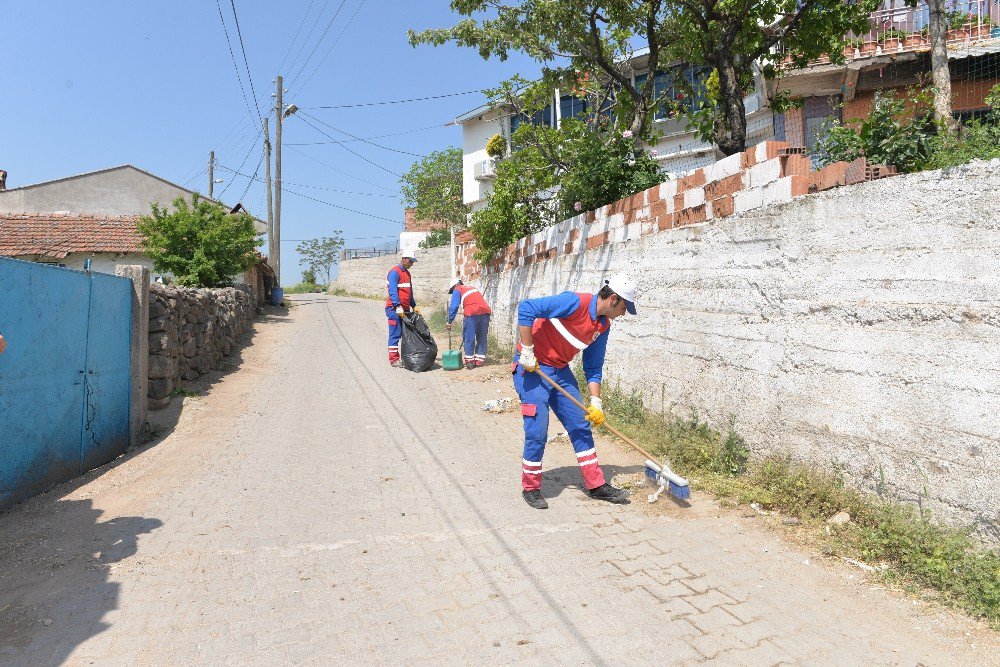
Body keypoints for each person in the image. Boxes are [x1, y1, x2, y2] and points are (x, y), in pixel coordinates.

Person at [513, 275, 638, 509]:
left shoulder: (603, 326)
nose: (623, 313)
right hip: (533, 368)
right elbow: (526, 307)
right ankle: (531, 487)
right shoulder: (574, 302)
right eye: (623, 307)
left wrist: (595, 401)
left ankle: (596, 485)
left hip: (560, 369)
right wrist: (527, 351)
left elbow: (593, 367)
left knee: (580, 425)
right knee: (537, 430)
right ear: (612, 299)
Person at [446, 278, 492, 370]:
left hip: (472, 313)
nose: (453, 292)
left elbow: (454, 307)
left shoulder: (458, 289)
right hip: (485, 312)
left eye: (452, 290)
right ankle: (479, 361)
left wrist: (449, 321)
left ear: (455, 286)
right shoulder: (472, 288)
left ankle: (469, 362)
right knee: (482, 337)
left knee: (468, 336)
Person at [385, 253, 419, 367]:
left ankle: (404, 357)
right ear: (404, 259)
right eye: (410, 261)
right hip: (394, 309)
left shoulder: (407, 273)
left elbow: (409, 292)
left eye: (413, 262)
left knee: (405, 334)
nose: (412, 264)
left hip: (404, 309)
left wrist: (413, 305)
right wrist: (397, 306)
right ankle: (394, 360)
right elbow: (393, 291)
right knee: (395, 333)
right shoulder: (394, 272)